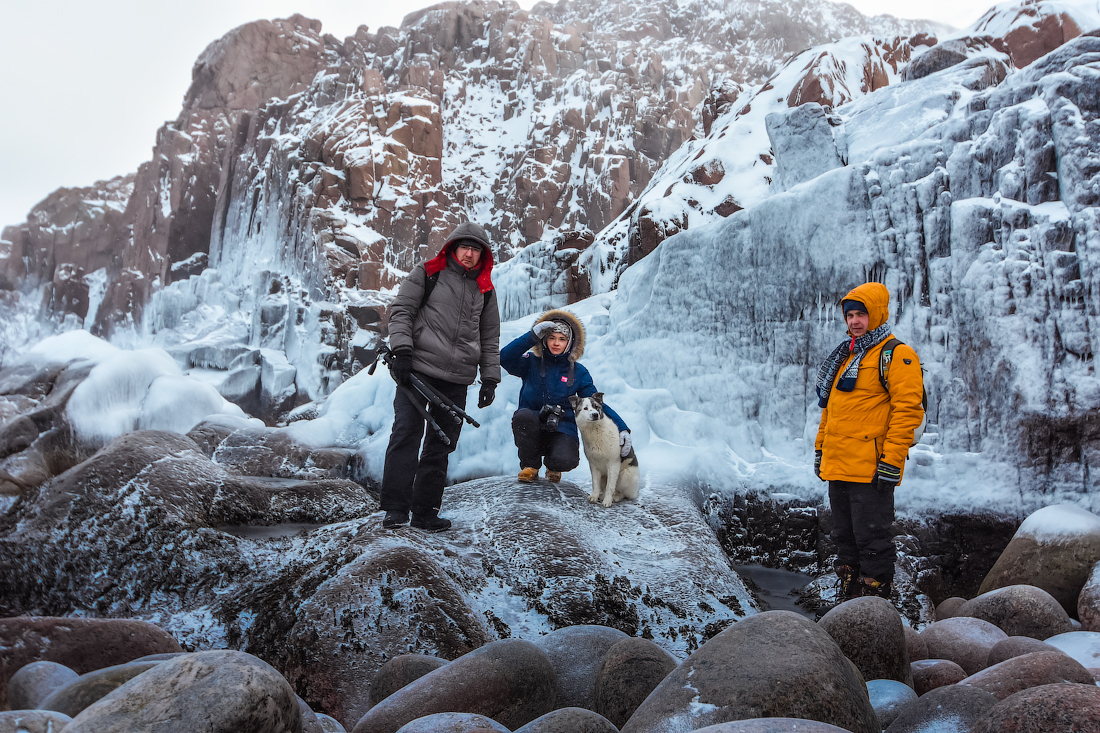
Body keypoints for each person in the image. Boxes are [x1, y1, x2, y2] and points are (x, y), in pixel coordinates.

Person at [380, 222, 501, 532]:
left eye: (476, 249)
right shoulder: (429, 272)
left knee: (441, 444)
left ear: (482, 255)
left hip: (458, 378)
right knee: (406, 433)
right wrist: (403, 351)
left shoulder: (485, 289)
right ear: (453, 247)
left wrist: (490, 379)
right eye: (466, 247)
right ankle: (395, 509)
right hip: (417, 370)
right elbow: (402, 310)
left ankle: (425, 513)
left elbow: (490, 336)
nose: (470, 253)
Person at [814, 282, 923, 600]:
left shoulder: (897, 355)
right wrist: (821, 450)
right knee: (843, 537)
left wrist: (892, 460)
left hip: (871, 469)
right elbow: (829, 412)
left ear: (877, 314)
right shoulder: (847, 356)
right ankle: (848, 595)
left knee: (873, 540)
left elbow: (907, 413)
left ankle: (874, 605)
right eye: (850, 316)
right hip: (839, 464)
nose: (854, 321)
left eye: (861, 314)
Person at [500, 309, 631, 483]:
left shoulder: (578, 371)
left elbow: (594, 404)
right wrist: (531, 336)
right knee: (523, 416)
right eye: (551, 337)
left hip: (562, 426)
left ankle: (553, 465)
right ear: (544, 339)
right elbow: (504, 358)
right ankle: (530, 466)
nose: (556, 343)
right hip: (533, 420)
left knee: (566, 460)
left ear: (569, 343)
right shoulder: (530, 362)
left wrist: (620, 427)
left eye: (562, 339)